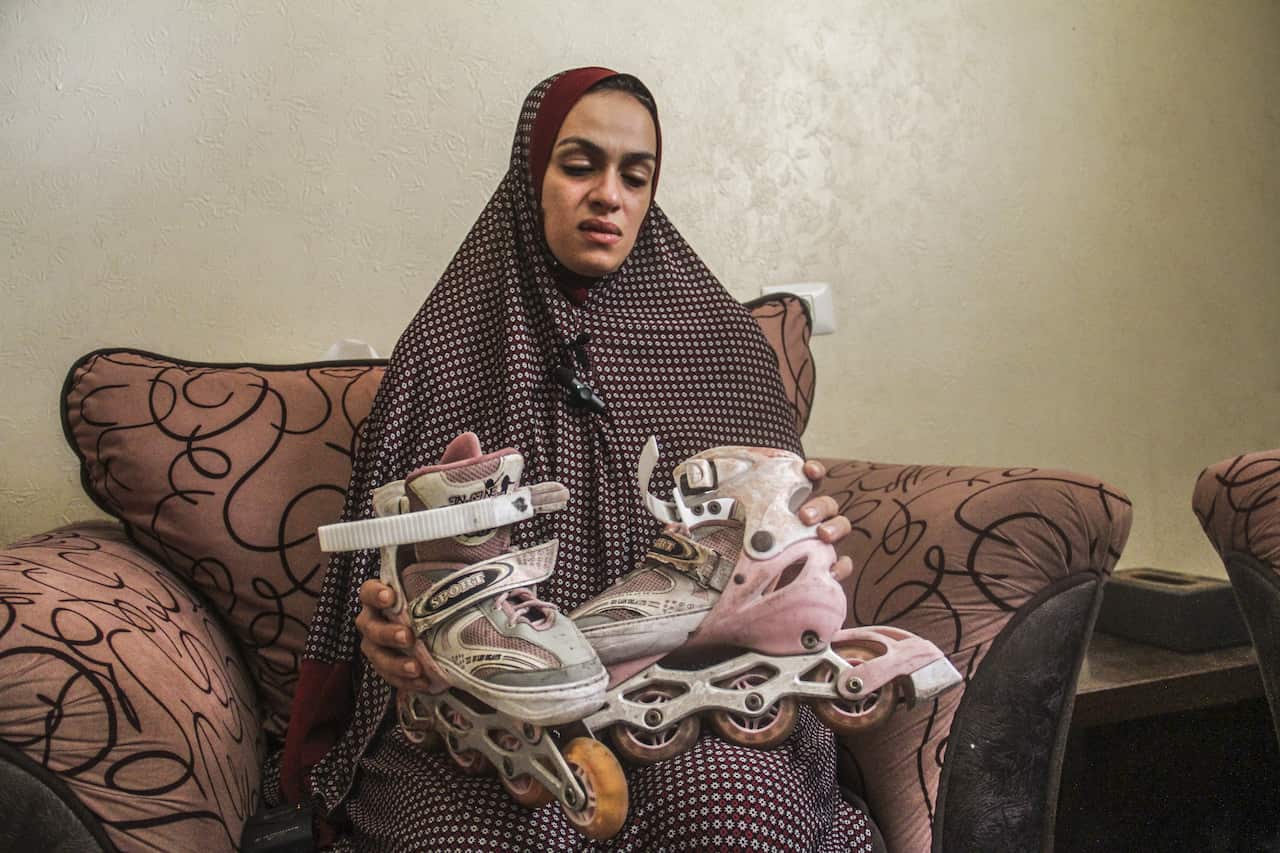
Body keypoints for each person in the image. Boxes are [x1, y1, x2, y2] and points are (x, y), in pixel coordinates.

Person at [281, 66, 878, 852]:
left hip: (701, 701)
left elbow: (776, 536)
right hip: (489, 711)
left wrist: (802, 543)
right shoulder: (446, 350)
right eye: (579, 164)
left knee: (741, 822)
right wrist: (390, 626)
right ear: (532, 175)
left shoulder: (726, 349)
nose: (610, 195)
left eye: (636, 175)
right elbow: (389, 572)